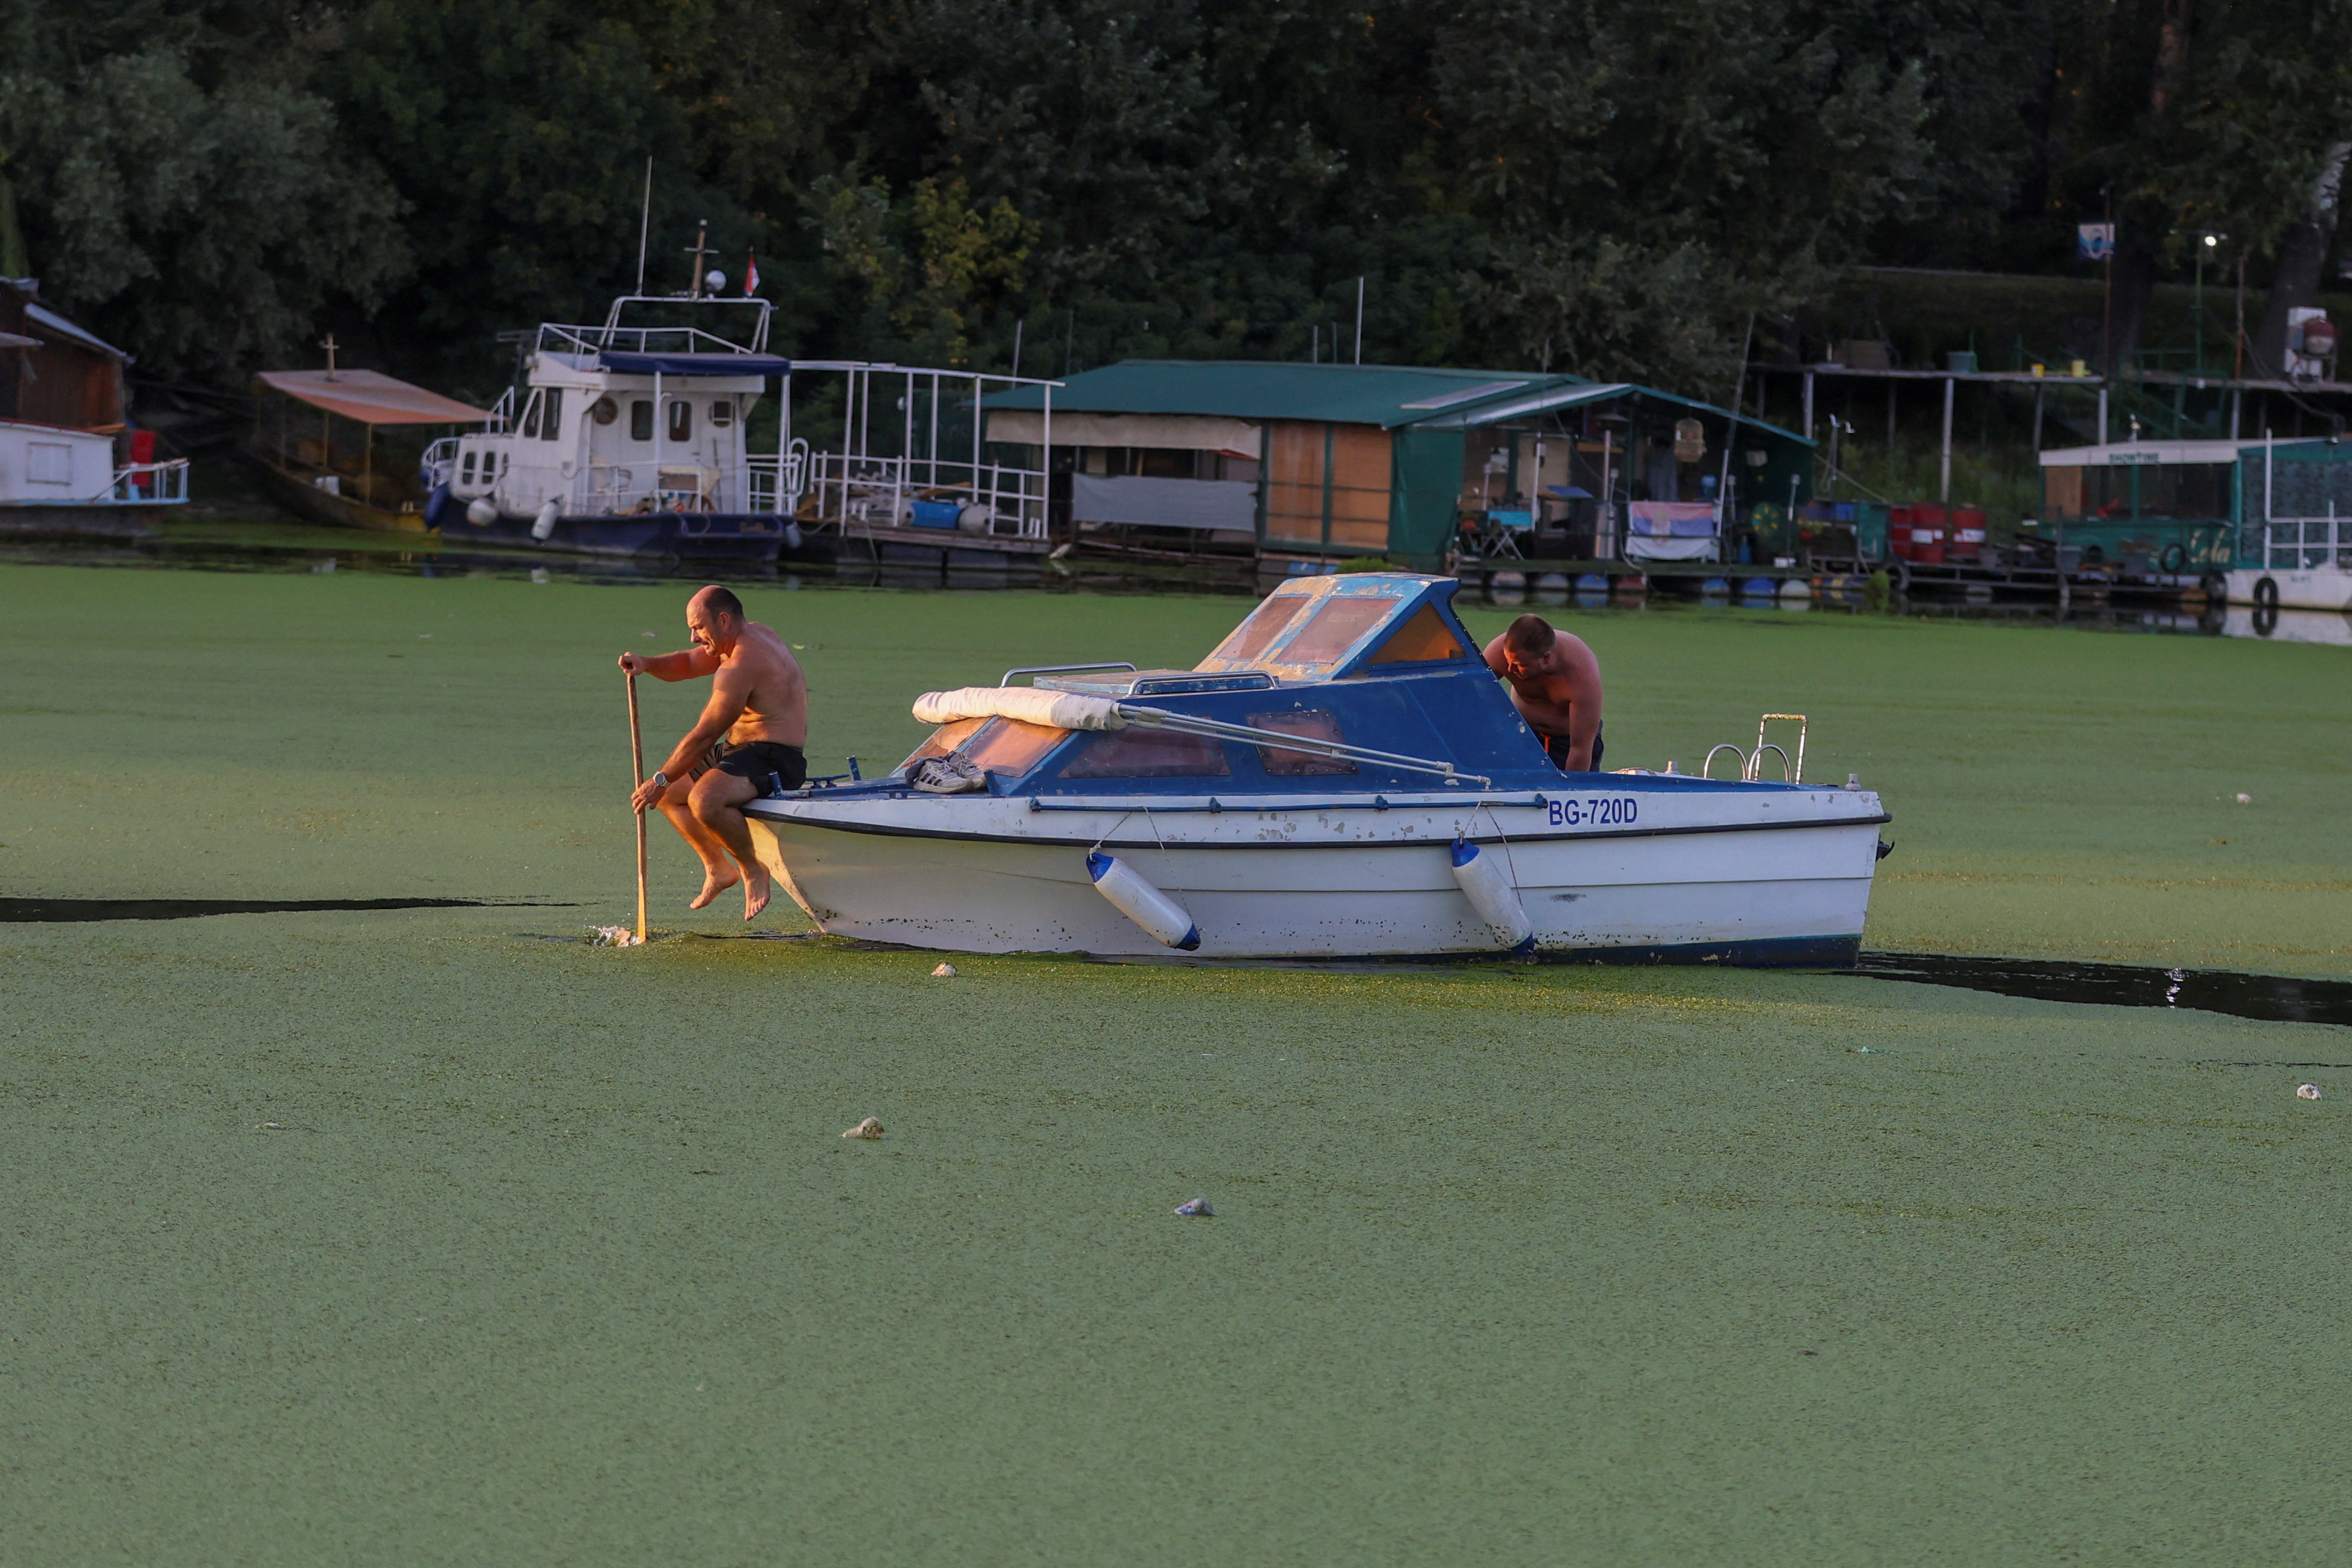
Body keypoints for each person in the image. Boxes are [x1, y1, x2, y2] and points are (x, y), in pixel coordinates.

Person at [621, 585, 809, 920]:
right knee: (670, 796)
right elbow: (688, 663)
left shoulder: (741, 664)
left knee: (703, 800)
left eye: (699, 627)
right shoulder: (748, 634)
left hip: (775, 756)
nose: (694, 637)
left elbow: (706, 735)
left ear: (723, 620)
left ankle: (753, 868)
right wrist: (647, 664)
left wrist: (660, 778)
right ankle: (718, 869)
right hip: (742, 748)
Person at [1483, 613, 1605, 771]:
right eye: (1508, 661)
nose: (1510, 669)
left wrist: (1568, 792)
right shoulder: (1498, 652)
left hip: (1567, 745)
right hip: (1521, 737)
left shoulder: (1582, 676)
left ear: (1545, 658)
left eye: (1520, 665)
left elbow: (1580, 750)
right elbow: (1467, 698)